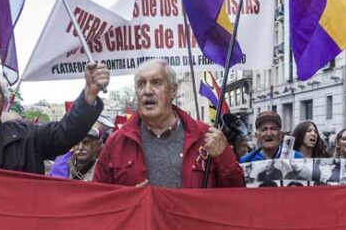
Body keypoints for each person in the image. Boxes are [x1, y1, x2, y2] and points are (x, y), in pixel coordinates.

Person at [93, 60, 243, 188]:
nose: (147, 91)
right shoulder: (116, 143)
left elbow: (237, 194)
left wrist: (224, 158)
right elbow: (99, 200)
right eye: (141, 84)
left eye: (156, 83)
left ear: (173, 90)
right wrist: (128, 200)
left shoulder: (205, 137)